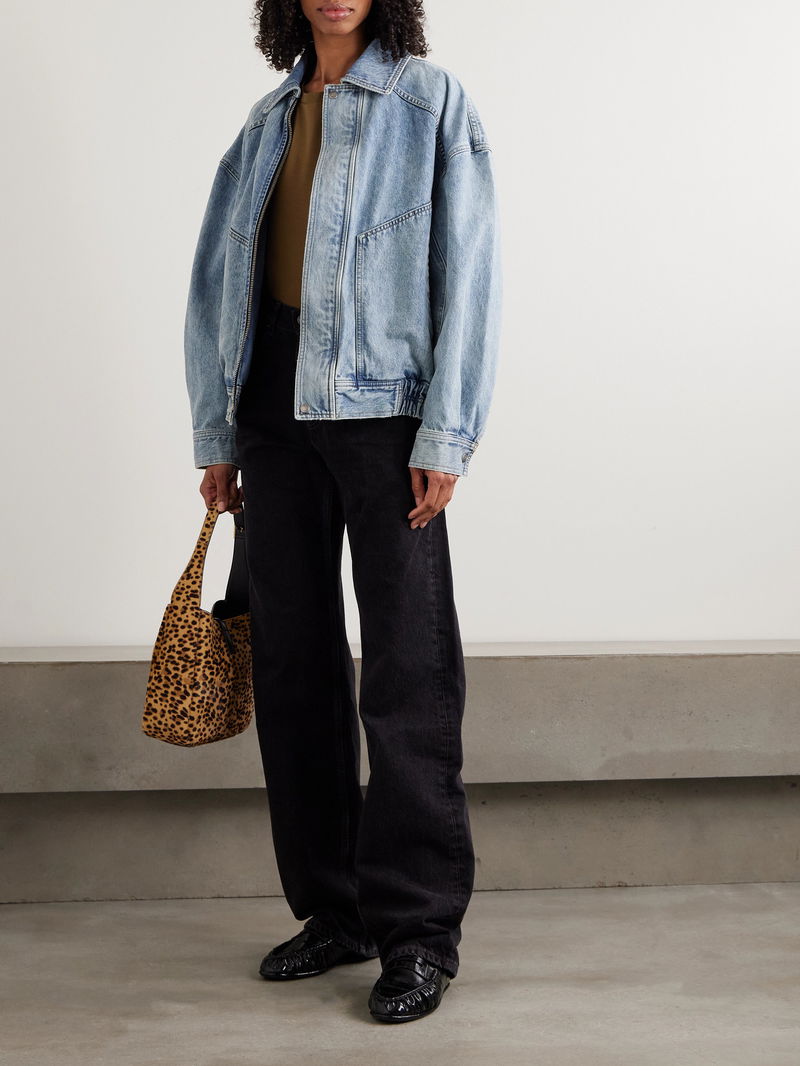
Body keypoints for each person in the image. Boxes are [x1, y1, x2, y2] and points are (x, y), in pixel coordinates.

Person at [184, 0, 502, 1023]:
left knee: (407, 668)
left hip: (384, 414)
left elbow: (470, 268)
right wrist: (218, 432)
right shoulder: (266, 120)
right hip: (270, 415)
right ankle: (335, 908)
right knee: (293, 664)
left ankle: (418, 935)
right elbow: (215, 282)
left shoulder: (430, 102)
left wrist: (445, 434)